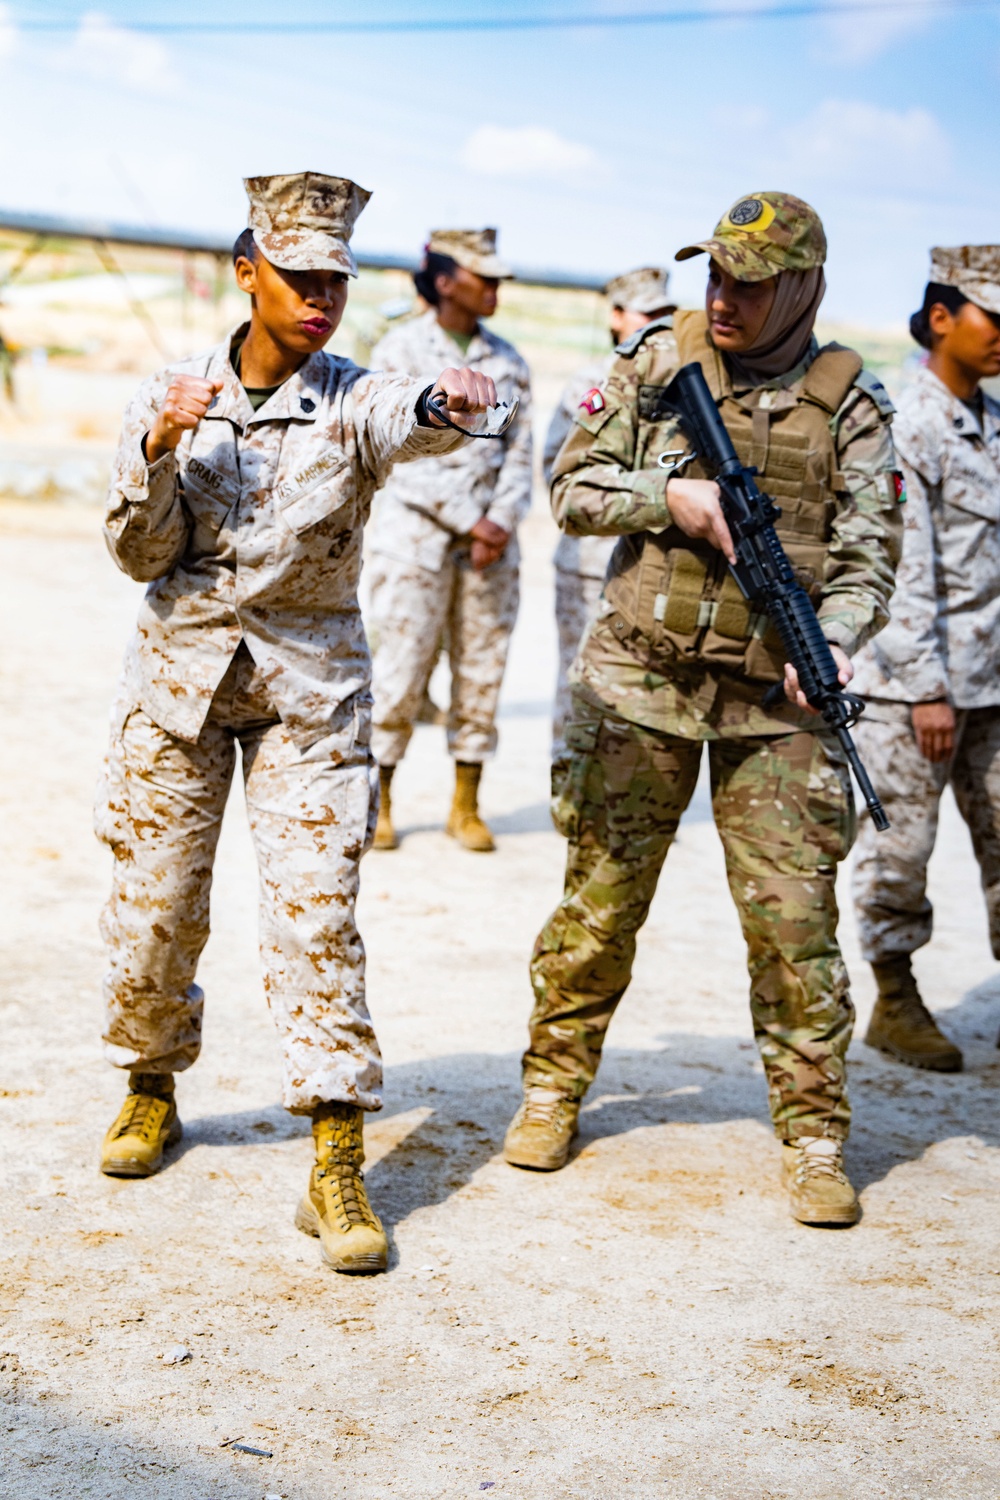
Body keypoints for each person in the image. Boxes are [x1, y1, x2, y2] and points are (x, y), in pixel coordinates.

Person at [95, 172, 498, 1276]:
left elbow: (416, 416)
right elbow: (136, 557)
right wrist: (156, 455)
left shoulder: (354, 398)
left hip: (308, 703)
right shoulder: (171, 396)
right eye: (299, 275)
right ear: (247, 272)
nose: (320, 296)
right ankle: (149, 1089)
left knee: (317, 919)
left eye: (335, 278)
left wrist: (450, 399)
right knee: (156, 911)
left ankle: (334, 1160)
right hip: (178, 690)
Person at [502, 192, 904, 1227]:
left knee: (795, 931)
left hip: (775, 711)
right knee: (598, 904)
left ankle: (814, 1137)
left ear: (802, 288)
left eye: (749, 283)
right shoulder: (652, 362)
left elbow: (868, 562)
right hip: (638, 680)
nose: (721, 298)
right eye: (714, 276)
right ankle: (550, 1089)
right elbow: (572, 488)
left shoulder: (850, 407)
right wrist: (668, 500)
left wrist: (838, 644)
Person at [851, 246, 1000, 1071]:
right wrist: (927, 689)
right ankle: (895, 999)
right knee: (900, 849)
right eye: (993, 316)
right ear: (941, 317)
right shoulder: (906, 421)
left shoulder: (993, 420)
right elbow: (903, 569)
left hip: (995, 683)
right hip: (917, 691)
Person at [366, 229, 532, 853]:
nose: (493, 289)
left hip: (490, 549)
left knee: (482, 672)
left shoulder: (510, 362)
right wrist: (470, 518)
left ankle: (466, 804)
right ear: (443, 280)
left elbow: (520, 452)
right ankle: (379, 801)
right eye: (481, 277)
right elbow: (396, 450)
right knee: (399, 670)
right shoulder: (400, 350)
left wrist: (499, 522)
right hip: (415, 540)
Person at [546, 268, 675, 763]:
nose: (657, 324)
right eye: (648, 314)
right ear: (617, 317)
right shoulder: (591, 382)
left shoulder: (680, 379)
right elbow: (557, 467)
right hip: (587, 558)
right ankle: (569, 776)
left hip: (647, 565)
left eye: (665, 313)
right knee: (578, 675)